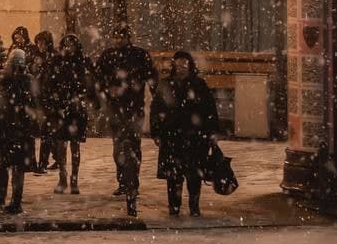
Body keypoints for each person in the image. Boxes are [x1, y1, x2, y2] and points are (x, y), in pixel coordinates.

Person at [151, 51, 220, 216]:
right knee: (174, 175)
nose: (181, 68)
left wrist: (211, 132)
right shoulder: (166, 84)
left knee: (193, 175)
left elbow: (209, 110)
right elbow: (157, 109)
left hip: (194, 136)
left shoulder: (198, 85)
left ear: (189, 66)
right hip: (173, 135)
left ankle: (193, 206)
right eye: (178, 64)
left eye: (184, 64)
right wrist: (156, 132)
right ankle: (174, 206)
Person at [95, 25, 156, 201]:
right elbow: (98, 79)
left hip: (133, 108)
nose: (118, 40)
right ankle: (124, 181)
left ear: (128, 37)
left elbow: (150, 77)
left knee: (132, 146)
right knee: (119, 146)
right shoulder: (109, 56)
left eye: (121, 36)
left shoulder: (138, 55)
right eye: (116, 36)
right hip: (117, 108)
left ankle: (132, 182)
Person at [0, 48, 36, 214]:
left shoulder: (3, 77)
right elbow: (34, 103)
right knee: (17, 167)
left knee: (5, 165)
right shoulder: (28, 79)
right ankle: (15, 201)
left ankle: (1, 199)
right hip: (20, 129)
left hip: (6, 127)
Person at [43, 34, 92, 194]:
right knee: (60, 145)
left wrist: (80, 96)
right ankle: (63, 178)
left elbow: (87, 84)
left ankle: (74, 179)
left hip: (75, 109)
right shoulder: (56, 62)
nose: (68, 48)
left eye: (71, 45)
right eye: (66, 45)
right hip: (60, 109)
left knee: (75, 146)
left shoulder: (82, 62)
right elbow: (48, 83)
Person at [28, 30, 57, 174]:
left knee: (47, 132)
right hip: (37, 98)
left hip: (49, 99)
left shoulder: (53, 57)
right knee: (42, 131)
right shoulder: (36, 56)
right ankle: (52, 158)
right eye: (38, 42)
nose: (40, 45)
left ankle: (43, 163)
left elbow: (53, 78)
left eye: (42, 42)